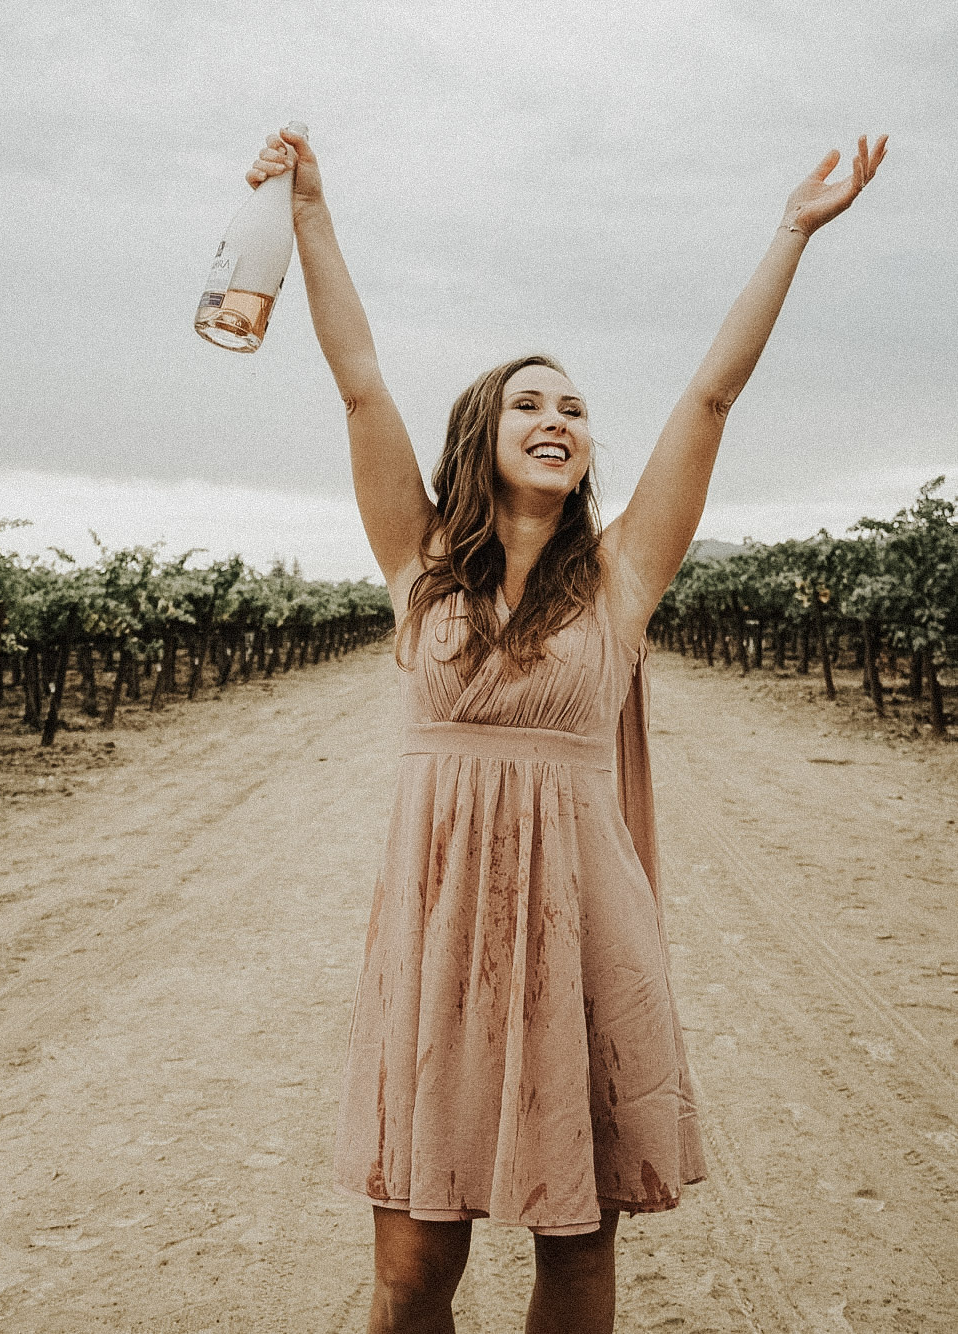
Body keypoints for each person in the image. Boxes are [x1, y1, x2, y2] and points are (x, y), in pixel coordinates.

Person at [247, 127, 887, 1334]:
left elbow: (709, 391)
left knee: (578, 1259)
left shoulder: (623, 575)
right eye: (529, 403)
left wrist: (790, 231)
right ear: (481, 434)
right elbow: (358, 379)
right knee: (408, 1274)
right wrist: (310, 212)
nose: (559, 419)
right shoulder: (418, 562)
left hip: (581, 924)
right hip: (436, 931)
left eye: (576, 408)